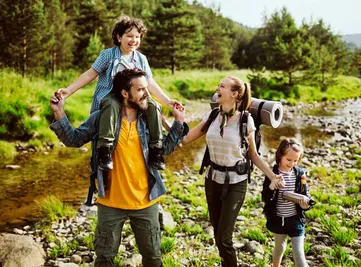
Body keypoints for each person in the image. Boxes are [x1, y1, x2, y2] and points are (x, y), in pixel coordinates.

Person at [50, 68, 188, 267]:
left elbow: (165, 149)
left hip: (146, 203)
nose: (146, 94)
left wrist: (179, 121)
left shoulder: (150, 120)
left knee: (153, 258)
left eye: (146, 88)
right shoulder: (101, 118)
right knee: (104, 259)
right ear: (125, 93)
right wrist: (59, 112)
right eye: (140, 90)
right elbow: (73, 139)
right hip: (110, 203)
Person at [181, 76, 284, 266]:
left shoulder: (246, 121)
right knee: (217, 231)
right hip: (212, 180)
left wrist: (272, 176)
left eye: (222, 86)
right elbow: (186, 139)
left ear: (235, 94)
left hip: (236, 183)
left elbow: (253, 155)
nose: (217, 88)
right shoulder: (212, 115)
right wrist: (165, 120)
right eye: (218, 84)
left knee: (224, 238)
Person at [56, 15, 182, 170]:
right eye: (129, 36)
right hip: (112, 95)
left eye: (137, 36)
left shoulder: (141, 58)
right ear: (119, 36)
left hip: (136, 99)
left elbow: (150, 82)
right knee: (110, 104)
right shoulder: (108, 55)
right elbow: (90, 74)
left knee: (154, 106)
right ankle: (105, 149)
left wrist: (167, 101)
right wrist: (68, 90)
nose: (133, 40)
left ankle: (156, 150)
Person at [262, 138, 312, 267]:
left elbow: (305, 194)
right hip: (278, 219)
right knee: (279, 248)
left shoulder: (300, 174)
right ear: (280, 156)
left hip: (296, 219)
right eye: (288, 160)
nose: (292, 163)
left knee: (299, 253)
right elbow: (265, 198)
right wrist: (272, 187)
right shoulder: (272, 174)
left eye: (295, 160)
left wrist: (305, 204)